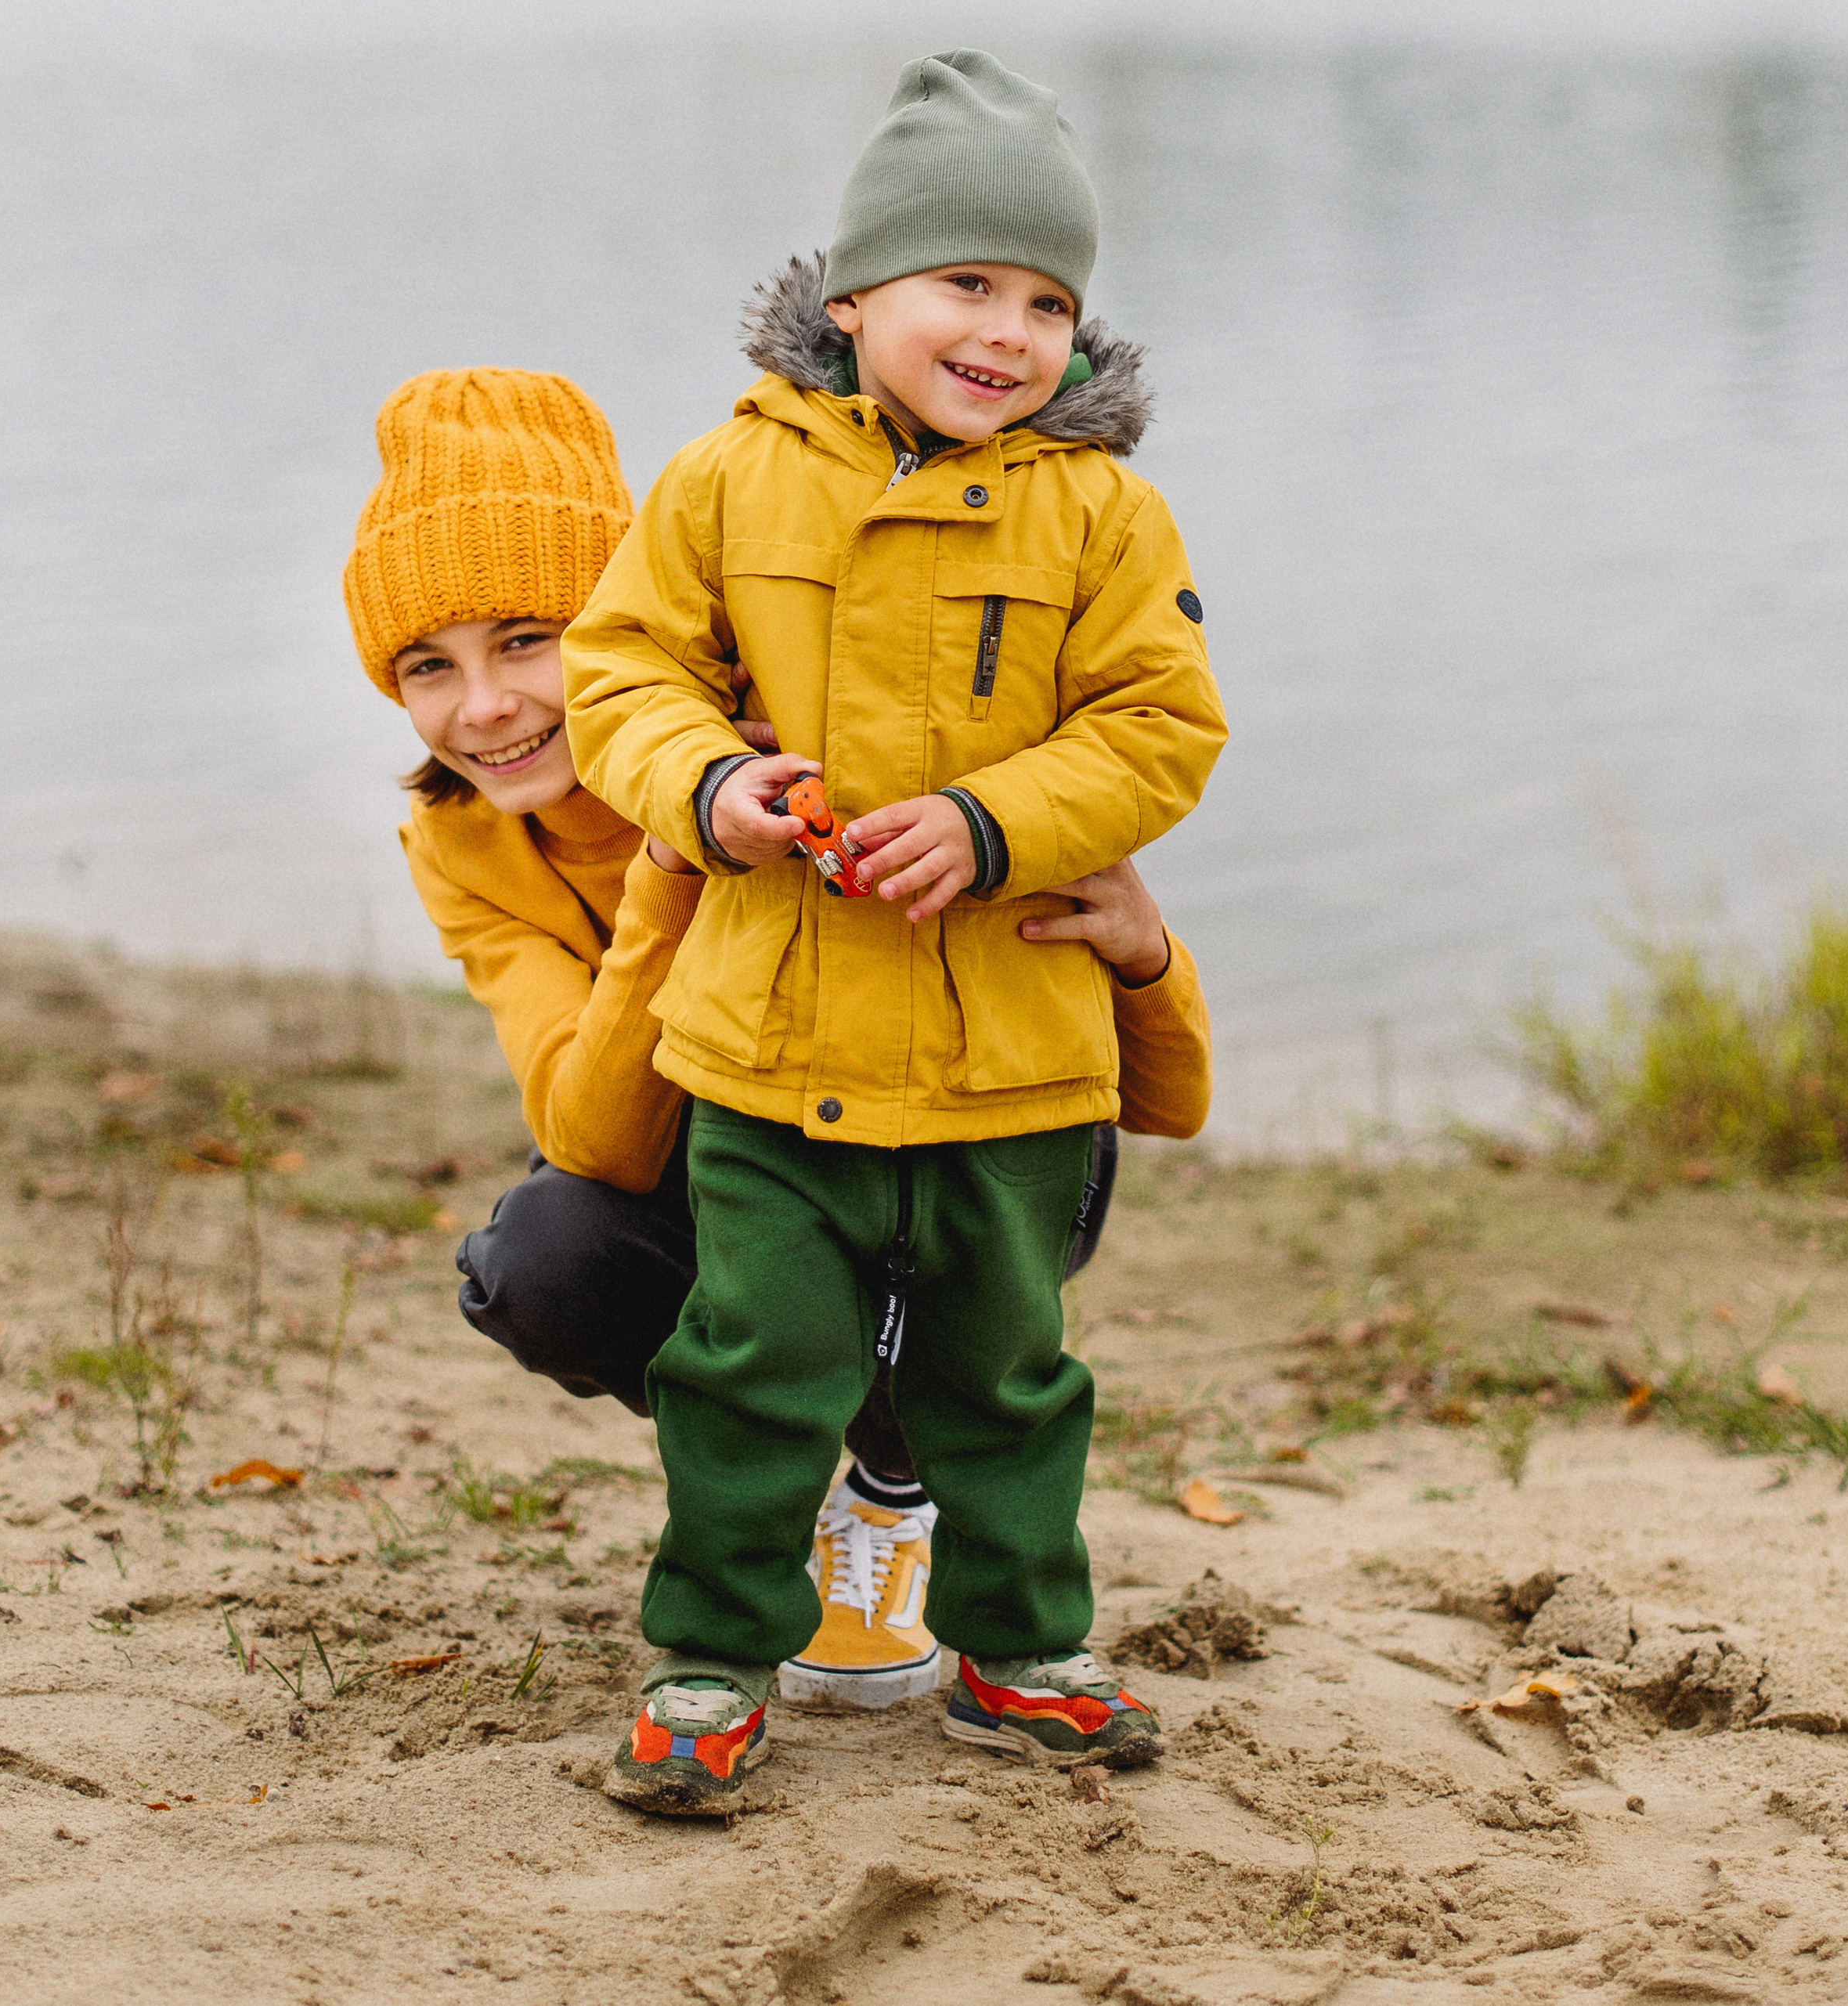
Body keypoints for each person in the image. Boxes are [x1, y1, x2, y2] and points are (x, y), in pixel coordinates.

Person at [563, 47, 1229, 1814]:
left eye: (1044, 301)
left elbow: (1160, 727)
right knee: (748, 1366)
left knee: (1002, 1382)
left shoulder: (1101, 510)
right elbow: (619, 671)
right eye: (965, 286)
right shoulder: (724, 478)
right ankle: (712, 1657)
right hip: (771, 1054)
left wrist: (1000, 823)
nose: (1006, 331)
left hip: (1013, 1060)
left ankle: (1019, 1654)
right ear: (851, 296)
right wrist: (707, 788)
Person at [343, 360, 1212, 1713]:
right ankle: (811, 1442)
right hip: (736, 1182)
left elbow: (1161, 1092)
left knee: (974, 1230)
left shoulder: (799, 740)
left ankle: (902, 1472)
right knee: (539, 1262)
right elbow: (594, 1138)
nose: (487, 707)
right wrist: (680, 847)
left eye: (530, 639)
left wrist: (1147, 951)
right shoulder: (466, 847)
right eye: (428, 667)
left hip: (962, 1142)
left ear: (629, 621)